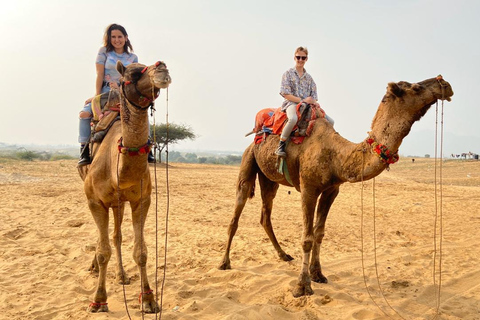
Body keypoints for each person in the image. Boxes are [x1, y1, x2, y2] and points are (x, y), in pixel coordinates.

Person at [78, 23, 155, 165]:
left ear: (126, 38)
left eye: (120, 36)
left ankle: (148, 148)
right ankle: (84, 150)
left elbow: (133, 80)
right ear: (109, 38)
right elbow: (99, 74)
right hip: (106, 91)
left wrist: (119, 86)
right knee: (84, 114)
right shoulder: (103, 52)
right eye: (113, 37)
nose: (116, 40)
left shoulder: (133, 58)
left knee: (140, 112)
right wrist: (97, 95)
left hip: (125, 92)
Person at [275, 46, 334, 157]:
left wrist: (312, 101)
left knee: (331, 122)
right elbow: (285, 94)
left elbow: (314, 96)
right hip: (292, 104)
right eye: (298, 57)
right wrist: (302, 100)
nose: (300, 60)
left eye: (303, 58)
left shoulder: (309, 78)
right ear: (294, 57)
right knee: (293, 119)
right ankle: (281, 144)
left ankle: (325, 146)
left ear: (306, 59)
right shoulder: (288, 74)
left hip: (308, 106)